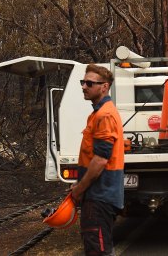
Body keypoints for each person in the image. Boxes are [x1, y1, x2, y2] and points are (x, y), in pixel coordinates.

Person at [71, 64, 124, 256]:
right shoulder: (97, 114)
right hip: (97, 195)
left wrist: (79, 189)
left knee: (98, 251)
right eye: (83, 82)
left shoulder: (105, 115)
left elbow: (101, 160)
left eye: (90, 83)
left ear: (104, 86)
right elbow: (91, 157)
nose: (84, 86)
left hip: (99, 196)